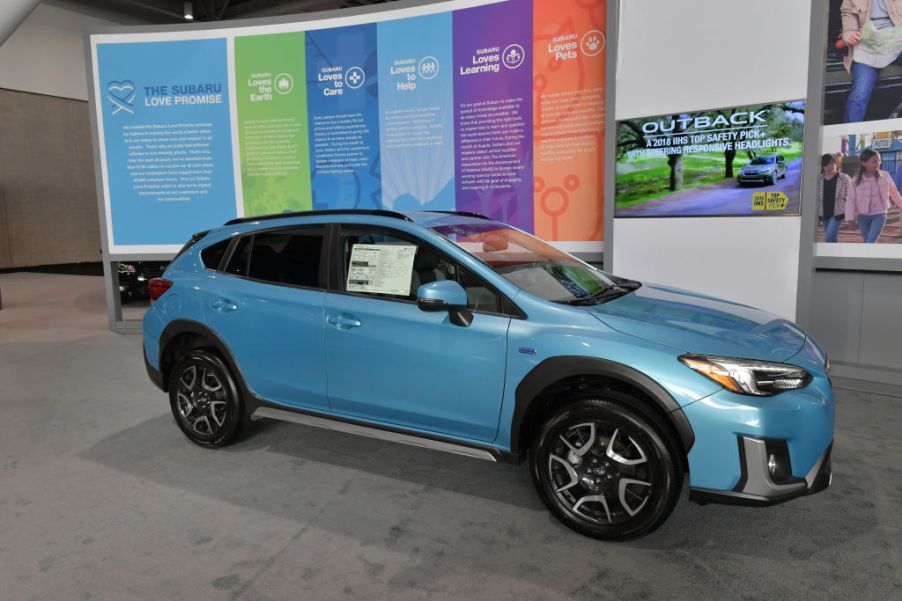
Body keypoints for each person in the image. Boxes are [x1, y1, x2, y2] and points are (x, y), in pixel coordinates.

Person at [841, 0, 902, 123]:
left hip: (897, 41)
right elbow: (847, 12)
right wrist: (849, 32)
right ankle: (851, 137)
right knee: (860, 92)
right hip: (867, 45)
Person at [846, 148, 902, 242]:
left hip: (880, 214)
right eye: (874, 161)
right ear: (864, 163)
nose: (878, 163)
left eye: (879, 160)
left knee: (870, 242)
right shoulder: (856, 180)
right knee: (867, 241)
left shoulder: (885, 175)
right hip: (862, 216)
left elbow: (894, 192)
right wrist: (850, 218)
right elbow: (851, 200)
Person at [817, 154, 851, 243]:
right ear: (822, 166)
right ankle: (834, 254)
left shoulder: (844, 177)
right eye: (826, 164)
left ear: (836, 164)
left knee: (829, 236)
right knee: (831, 239)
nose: (830, 166)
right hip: (824, 212)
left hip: (837, 212)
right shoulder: (819, 179)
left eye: (832, 163)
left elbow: (851, 194)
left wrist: (847, 202)